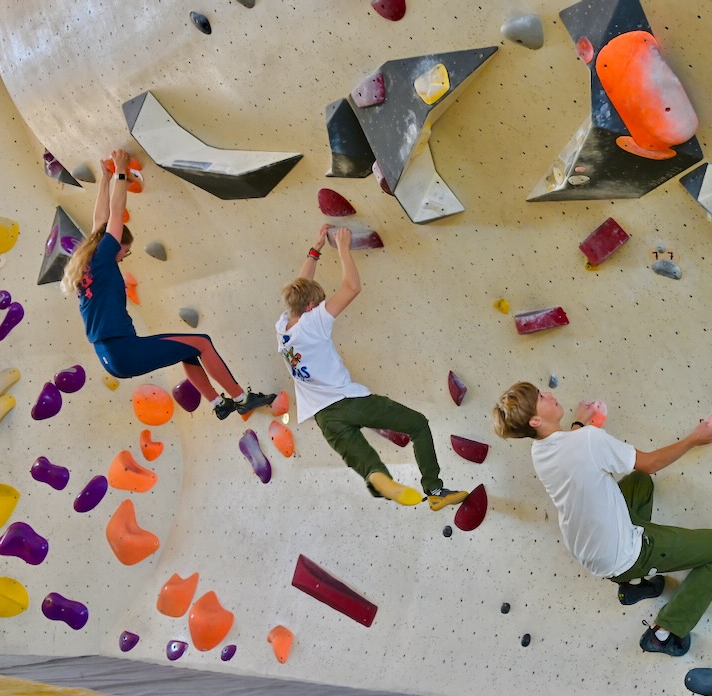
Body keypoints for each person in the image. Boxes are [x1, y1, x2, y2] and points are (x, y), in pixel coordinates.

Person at [491, 382, 712, 657]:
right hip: (625, 553)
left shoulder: (539, 451)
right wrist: (695, 437)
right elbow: (650, 463)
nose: (548, 394)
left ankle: (634, 584)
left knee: (639, 483)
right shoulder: (588, 440)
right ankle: (665, 631)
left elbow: (573, 448)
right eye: (541, 396)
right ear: (536, 420)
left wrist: (578, 423)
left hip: (588, 551)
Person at [61, 150, 275, 419]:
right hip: (124, 350)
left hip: (110, 356)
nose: (123, 256)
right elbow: (115, 213)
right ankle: (241, 398)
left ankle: (218, 404)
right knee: (203, 343)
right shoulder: (104, 257)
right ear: (114, 245)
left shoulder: (89, 261)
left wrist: (104, 179)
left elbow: (99, 222)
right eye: (124, 251)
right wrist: (121, 171)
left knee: (187, 349)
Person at [276, 224, 467, 510]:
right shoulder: (313, 323)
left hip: (324, 419)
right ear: (311, 306)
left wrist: (315, 250)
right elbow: (352, 287)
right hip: (349, 402)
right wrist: (342, 248)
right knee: (417, 424)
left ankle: (379, 478)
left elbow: (299, 286)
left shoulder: (283, 329)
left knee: (369, 466)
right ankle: (435, 489)